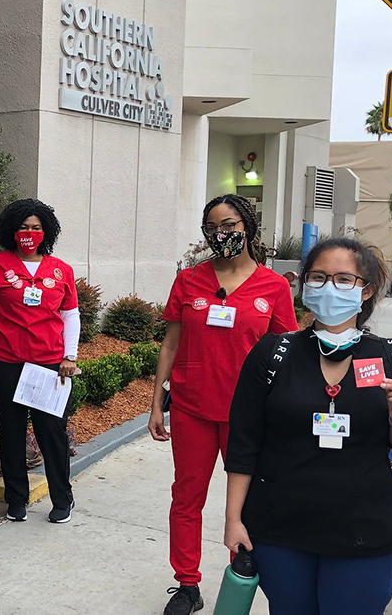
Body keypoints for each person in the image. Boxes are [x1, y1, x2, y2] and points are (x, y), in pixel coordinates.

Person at [224, 237, 392, 615]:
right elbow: (244, 443)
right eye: (318, 277)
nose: (329, 286)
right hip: (279, 528)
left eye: (344, 279)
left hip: (363, 530)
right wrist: (233, 519)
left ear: (366, 291)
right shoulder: (273, 354)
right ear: (304, 285)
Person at [148, 194, 298, 615]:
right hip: (193, 407)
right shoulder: (189, 281)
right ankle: (187, 584)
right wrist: (157, 401)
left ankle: (242, 575)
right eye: (213, 227)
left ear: (247, 226)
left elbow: (287, 352)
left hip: (249, 416)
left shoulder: (274, 286)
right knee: (187, 497)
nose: (221, 234)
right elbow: (171, 343)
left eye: (229, 224)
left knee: (247, 504)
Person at [0, 198, 80, 524]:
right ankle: (16, 499)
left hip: (49, 365)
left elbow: (71, 314)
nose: (29, 233)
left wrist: (70, 355)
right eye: (23, 227)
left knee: (52, 433)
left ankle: (62, 499)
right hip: (5, 362)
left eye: (36, 228)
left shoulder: (61, 269)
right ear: (12, 230)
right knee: (11, 432)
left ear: (45, 231)